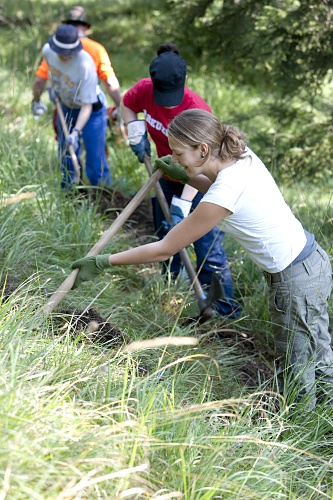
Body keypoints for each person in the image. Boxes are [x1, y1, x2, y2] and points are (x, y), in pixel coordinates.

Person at [71, 108, 333, 409]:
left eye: (179, 153)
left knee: (296, 366)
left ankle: (301, 435)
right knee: (318, 352)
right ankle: (325, 422)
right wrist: (186, 173)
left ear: (203, 149)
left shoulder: (226, 191)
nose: (174, 157)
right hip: (312, 262)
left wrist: (105, 261)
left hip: (295, 281)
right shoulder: (240, 155)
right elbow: (217, 188)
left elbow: (165, 248)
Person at [120, 43, 239, 317]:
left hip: (199, 181)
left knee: (205, 242)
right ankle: (172, 289)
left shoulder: (197, 110)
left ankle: (224, 308)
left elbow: (202, 164)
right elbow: (127, 105)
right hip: (166, 173)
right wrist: (135, 130)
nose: (168, 103)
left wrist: (183, 204)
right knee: (166, 233)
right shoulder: (143, 90)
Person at [32, 24, 112, 189]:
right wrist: (53, 89)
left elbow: (87, 105)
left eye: (69, 53)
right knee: (66, 152)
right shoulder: (48, 51)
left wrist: (75, 132)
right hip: (66, 107)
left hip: (91, 111)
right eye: (62, 52)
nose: (65, 56)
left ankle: (102, 194)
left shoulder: (85, 64)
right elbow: (52, 73)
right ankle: (70, 192)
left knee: (95, 155)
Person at [32, 5, 122, 119]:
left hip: (65, 102)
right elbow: (109, 82)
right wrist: (120, 106)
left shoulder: (57, 49)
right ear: (85, 27)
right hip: (91, 103)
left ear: (66, 25)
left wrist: (36, 101)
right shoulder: (97, 49)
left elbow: (40, 80)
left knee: (66, 134)